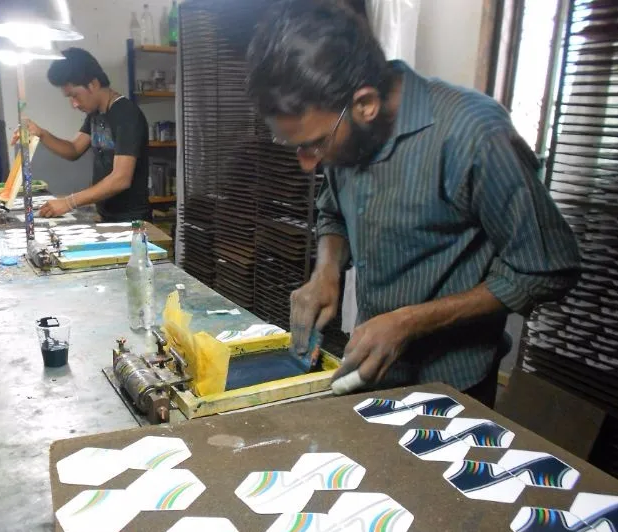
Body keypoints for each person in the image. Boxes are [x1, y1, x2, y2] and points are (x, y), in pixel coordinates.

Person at [245, 0, 581, 407]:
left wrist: (410, 322)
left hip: (452, 389)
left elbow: (546, 268)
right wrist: (326, 271)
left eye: (314, 144)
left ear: (365, 104)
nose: (307, 163)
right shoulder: (344, 131)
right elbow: (334, 210)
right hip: (372, 369)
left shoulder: (474, 135)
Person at [14, 47, 150, 222]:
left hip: (132, 221)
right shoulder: (95, 114)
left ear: (93, 84)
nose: (74, 104)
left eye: (75, 96)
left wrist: (69, 202)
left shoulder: (126, 114)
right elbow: (74, 149)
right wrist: (41, 133)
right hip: (106, 215)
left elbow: (120, 178)